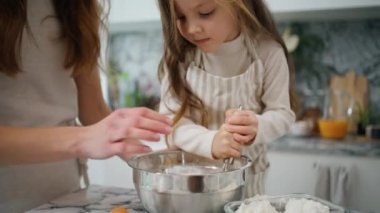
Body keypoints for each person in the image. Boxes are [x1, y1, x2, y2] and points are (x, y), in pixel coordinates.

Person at [0, 0, 172, 212]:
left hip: (65, 195)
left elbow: (94, 111)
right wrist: (84, 139)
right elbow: (90, 134)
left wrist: (156, 162)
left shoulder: (77, 6)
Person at [156, 0, 297, 197]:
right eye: (181, 18)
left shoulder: (268, 53)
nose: (192, 28)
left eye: (205, 13)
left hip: (247, 186)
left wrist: (258, 126)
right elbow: (172, 125)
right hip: (190, 188)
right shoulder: (181, 58)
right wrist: (210, 142)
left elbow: (283, 114)